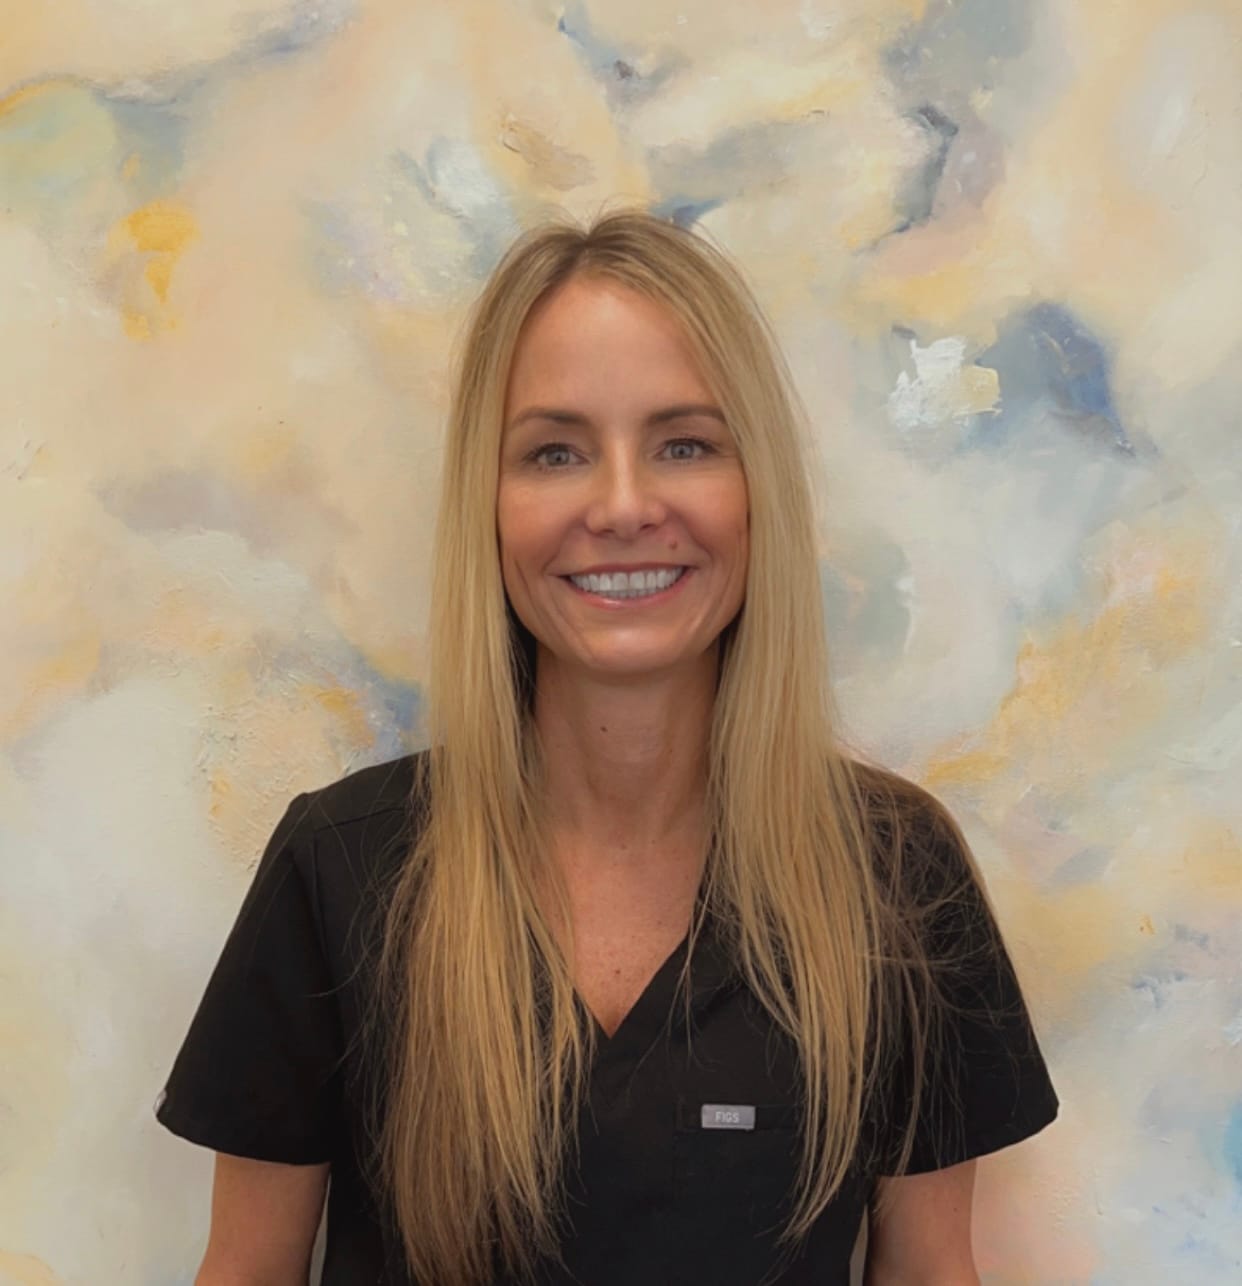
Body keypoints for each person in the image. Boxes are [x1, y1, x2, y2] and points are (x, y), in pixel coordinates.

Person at [155, 207, 1059, 1285]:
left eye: (684, 443)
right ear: (487, 506)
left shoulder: (897, 876)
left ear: (756, 487)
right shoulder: (341, 867)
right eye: (555, 452)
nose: (624, 505)